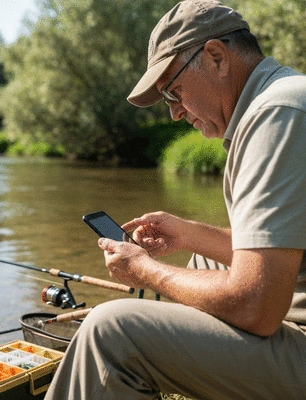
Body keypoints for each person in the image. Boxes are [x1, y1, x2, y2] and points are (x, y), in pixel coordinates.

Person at [44, 0, 306, 398]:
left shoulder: (277, 114)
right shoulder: (283, 98)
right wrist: (189, 234)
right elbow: (283, 255)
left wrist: (146, 271)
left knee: (111, 331)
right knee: (205, 259)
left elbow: (258, 305)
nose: (174, 113)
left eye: (173, 91)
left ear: (217, 57)